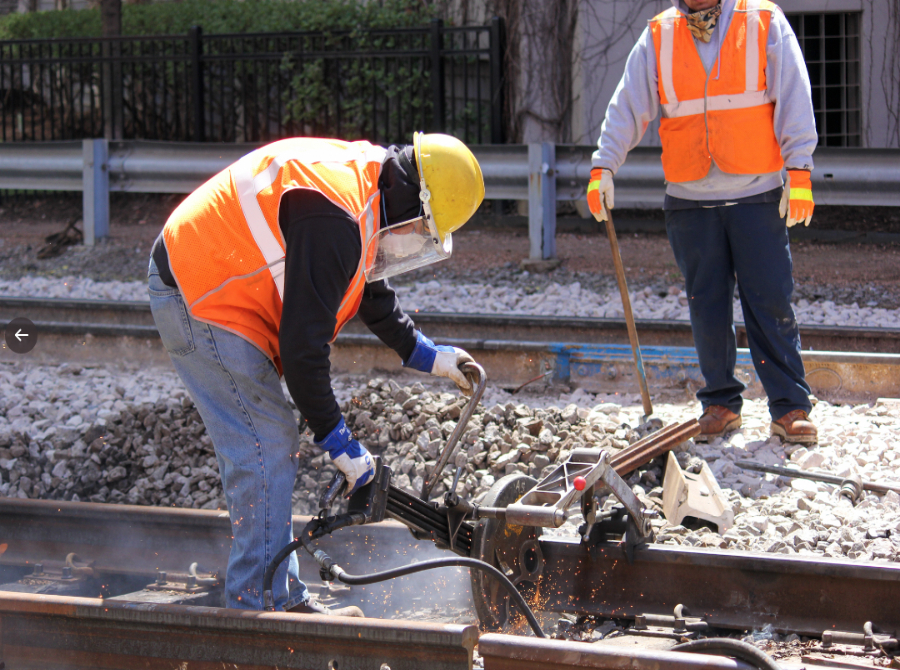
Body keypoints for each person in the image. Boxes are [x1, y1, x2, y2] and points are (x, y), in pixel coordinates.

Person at [148, 133, 485, 613]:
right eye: (424, 230)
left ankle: (277, 596)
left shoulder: (368, 181)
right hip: (198, 287)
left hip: (210, 272)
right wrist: (341, 445)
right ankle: (258, 605)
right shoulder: (336, 220)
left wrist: (427, 353)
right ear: (416, 204)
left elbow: (364, 280)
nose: (416, 243)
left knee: (270, 440)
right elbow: (304, 351)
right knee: (264, 441)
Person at [587, 0, 818, 444]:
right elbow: (628, 105)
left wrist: (800, 169)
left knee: (769, 300)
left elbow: (793, 93)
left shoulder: (762, 20)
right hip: (690, 197)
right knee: (706, 303)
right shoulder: (660, 33)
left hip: (755, 191)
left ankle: (790, 407)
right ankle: (720, 403)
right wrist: (604, 166)